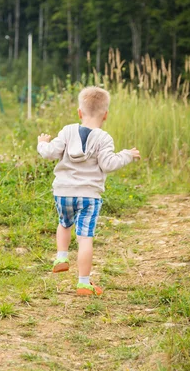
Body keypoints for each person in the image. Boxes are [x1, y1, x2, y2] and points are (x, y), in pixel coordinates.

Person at [37, 86, 140, 296]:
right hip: (89, 196)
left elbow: (49, 153)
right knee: (85, 238)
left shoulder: (67, 131)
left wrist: (41, 143)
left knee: (64, 223)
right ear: (106, 115)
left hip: (63, 192)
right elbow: (109, 164)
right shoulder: (104, 138)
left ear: (79, 112)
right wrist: (127, 154)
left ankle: (61, 256)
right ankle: (83, 283)